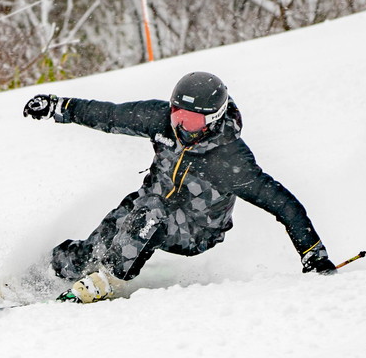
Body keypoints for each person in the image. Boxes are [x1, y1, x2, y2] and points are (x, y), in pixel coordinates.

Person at [20, 71, 335, 303]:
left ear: (212, 119)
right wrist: (59, 106)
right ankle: (48, 272)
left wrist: (314, 255)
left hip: (197, 231)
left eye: (192, 121)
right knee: (112, 229)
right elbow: (111, 115)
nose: (181, 127)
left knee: (150, 212)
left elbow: (283, 204)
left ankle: (107, 281)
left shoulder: (229, 159)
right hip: (149, 204)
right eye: (177, 115)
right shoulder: (160, 120)